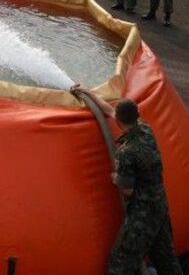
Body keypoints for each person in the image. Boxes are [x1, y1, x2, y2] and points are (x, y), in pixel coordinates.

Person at [70, 88, 182, 275]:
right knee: (165, 258)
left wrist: (115, 178)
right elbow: (110, 111)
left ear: (120, 120)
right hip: (160, 205)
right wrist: (86, 92)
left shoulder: (126, 152)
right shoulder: (146, 129)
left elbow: (127, 190)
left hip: (143, 214)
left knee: (120, 263)